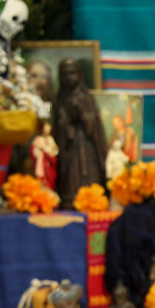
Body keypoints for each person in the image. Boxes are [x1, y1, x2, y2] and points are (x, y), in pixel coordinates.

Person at [54, 59, 108, 208]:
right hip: (70, 147)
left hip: (87, 144)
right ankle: (70, 198)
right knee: (71, 174)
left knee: (89, 172)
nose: (69, 77)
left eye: (72, 73)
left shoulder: (86, 98)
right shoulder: (60, 100)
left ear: (79, 75)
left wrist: (84, 116)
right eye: (65, 74)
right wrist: (65, 122)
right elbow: (58, 128)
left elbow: (95, 125)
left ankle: (92, 198)